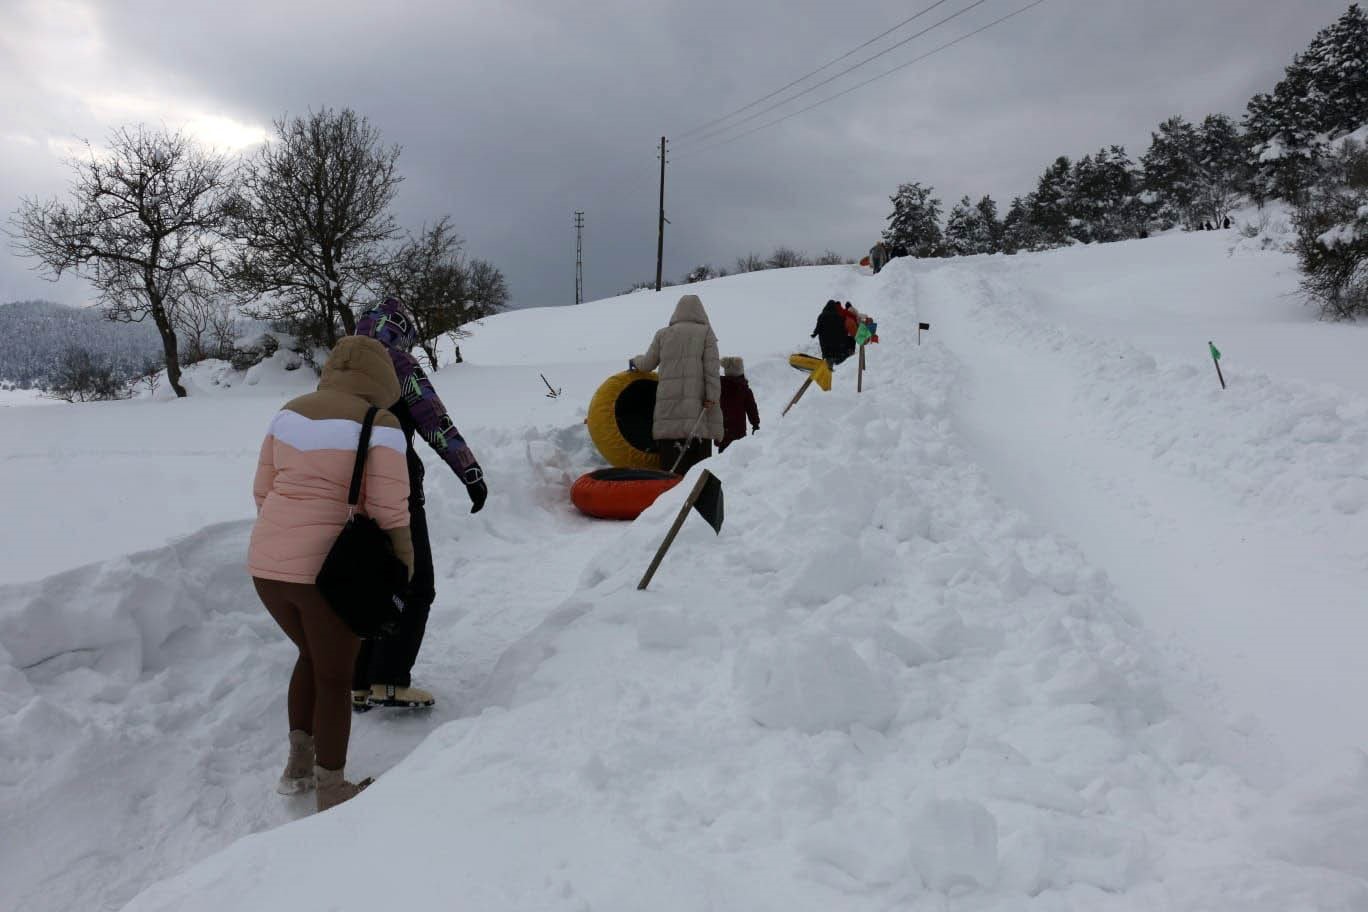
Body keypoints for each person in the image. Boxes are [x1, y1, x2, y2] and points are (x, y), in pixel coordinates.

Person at [249, 335, 414, 812]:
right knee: (336, 678)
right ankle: (333, 787)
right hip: (328, 574)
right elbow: (389, 509)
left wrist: (283, 541)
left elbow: (262, 489)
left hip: (266, 567)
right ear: (382, 376)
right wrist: (403, 564)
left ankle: (298, 769)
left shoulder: (289, 412)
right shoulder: (380, 423)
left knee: (310, 655)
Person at [351, 297, 488, 711]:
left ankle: (358, 681)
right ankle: (389, 680)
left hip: (346, 492)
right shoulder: (399, 365)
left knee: (365, 582)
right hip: (397, 489)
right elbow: (435, 422)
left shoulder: (339, 368)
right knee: (415, 584)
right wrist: (471, 473)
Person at [630, 293, 723, 474]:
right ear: (701, 312)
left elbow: (647, 364)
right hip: (696, 413)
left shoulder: (663, 334)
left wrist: (635, 361)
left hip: (668, 414)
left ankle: (670, 491)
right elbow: (712, 370)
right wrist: (712, 397)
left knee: (670, 471)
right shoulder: (705, 333)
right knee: (697, 473)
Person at [718, 356, 760, 453]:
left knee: (722, 455)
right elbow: (751, 408)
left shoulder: (719, 387)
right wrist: (755, 424)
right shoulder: (744, 389)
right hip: (738, 430)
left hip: (722, 429)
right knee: (736, 455)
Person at [812, 299, 855, 365]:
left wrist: (814, 334)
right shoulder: (839, 317)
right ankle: (838, 358)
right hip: (837, 344)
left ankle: (827, 358)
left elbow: (818, 328)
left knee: (824, 341)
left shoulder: (822, 316)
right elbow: (844, 330)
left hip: (825, 342)